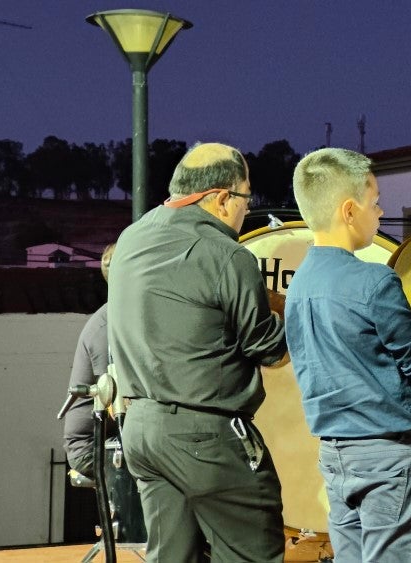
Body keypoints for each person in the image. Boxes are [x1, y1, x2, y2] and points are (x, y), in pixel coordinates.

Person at [285, 147, 411, 563]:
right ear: (349, 211)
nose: (380, 213)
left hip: (335, 455)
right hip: (388, 459)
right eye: (375, 203)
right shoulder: (374, 281)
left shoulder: (300, 282)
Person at [108, 142, 290, 562]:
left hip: (141, 430)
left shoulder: (132, 238)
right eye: (246, 198)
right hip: (205, 437)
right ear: (222, 198)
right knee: (253, 549)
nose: (246, 210)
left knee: (172, 556)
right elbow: (269, 350)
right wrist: (299, 313)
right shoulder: (228, 255)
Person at [63, 243, 116, 479]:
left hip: (111, 437)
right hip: (93, 448)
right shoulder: (107, 326)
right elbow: (117, 402)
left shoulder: (119, 317)